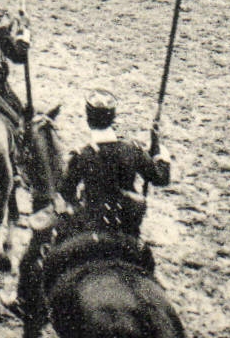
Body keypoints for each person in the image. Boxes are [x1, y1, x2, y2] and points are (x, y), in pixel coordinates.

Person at [58, 90, 171, 238]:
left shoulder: (81, 156)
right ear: (113, 119)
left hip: (93, 230)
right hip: (127, 229)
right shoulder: (133, 150)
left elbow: (66, 193)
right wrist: (159, 152)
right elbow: (161, 178)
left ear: (88, 120)